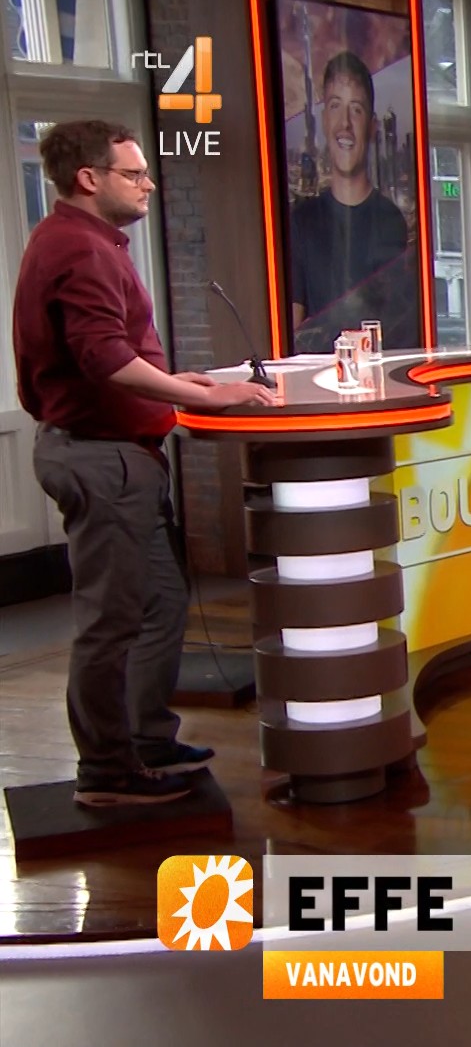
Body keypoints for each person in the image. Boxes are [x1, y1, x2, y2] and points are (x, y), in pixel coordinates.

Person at [13, 120, 275, 807]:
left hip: (120, 453)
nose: (150, 185)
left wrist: (170, 381)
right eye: (133, 174)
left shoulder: (81, 239)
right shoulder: (80, 248)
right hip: (101, 458)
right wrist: (201, 394)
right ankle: (107, 770)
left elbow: (106, 352)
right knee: (112, 621)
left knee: (159, 603)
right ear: (88, 178)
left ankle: (145, 739)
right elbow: (102, 357)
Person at [287, 51, 415, 352]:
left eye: (356, 110)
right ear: (323, 119)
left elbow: (398, 323)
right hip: (318, 374)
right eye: (335, 106)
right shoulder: (301, 221)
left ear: (372, 126)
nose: (344, 123)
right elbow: (294, 328)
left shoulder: (391, 220)